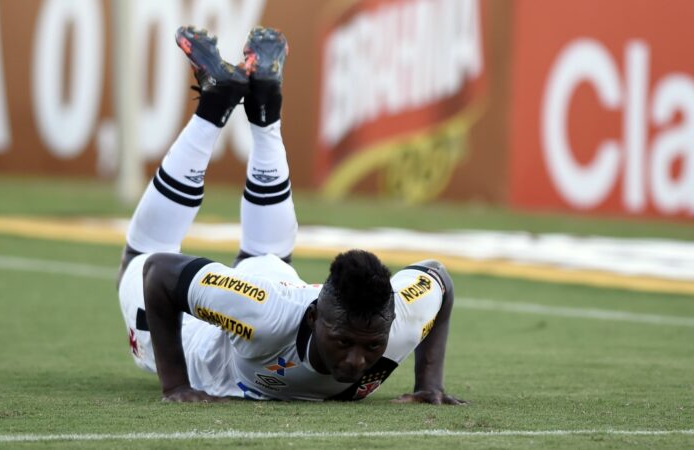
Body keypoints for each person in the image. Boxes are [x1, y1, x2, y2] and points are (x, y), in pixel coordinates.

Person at [117, 26, 465, 404]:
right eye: (344, 342)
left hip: (272, 289)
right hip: (213, 324)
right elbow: (159, 274)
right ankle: (218, 112)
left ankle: (259, 110)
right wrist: (176, 386)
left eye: (372, 345)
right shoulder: (262, 316)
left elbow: (438, 279)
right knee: (142, 257)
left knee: (265, 255)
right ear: (315, 319)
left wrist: (429, 385)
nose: (355, 361)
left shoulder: (402, 318)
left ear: (392, 324)